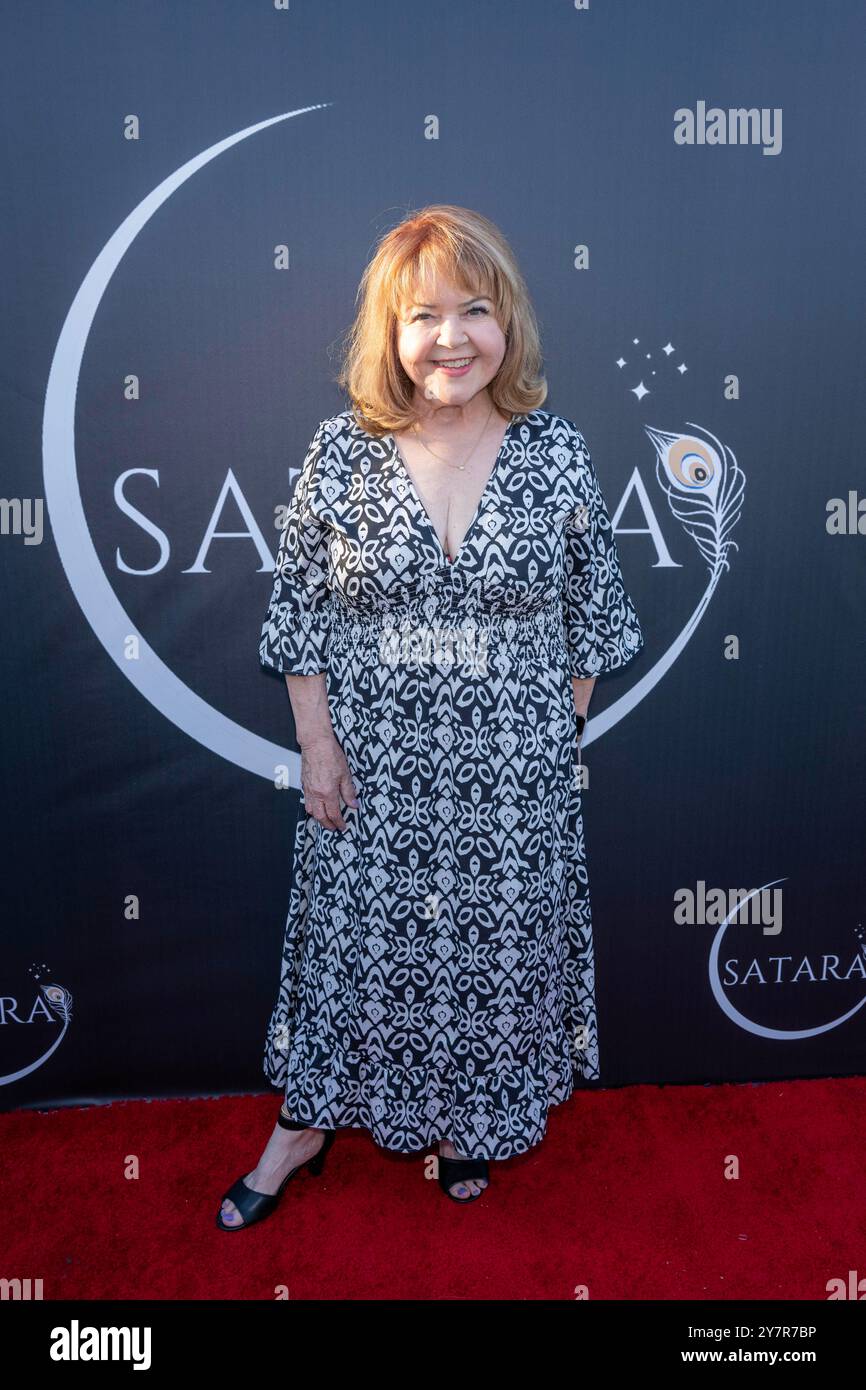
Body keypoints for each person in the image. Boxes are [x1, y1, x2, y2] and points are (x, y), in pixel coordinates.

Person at [217, 203, 643, 1229]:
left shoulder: (554, 454)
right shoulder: (341, 452)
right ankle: (304, 1127)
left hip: (509, 788)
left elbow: (594, 618)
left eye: (474, 309)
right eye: (422, 316)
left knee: (491, 962)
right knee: (353, 957)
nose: (450, 337)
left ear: (508, 325)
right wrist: (317, 747)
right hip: (372, 780)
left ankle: (466, 1122)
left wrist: (548, 741)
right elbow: (298, 618)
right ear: (391, 336)